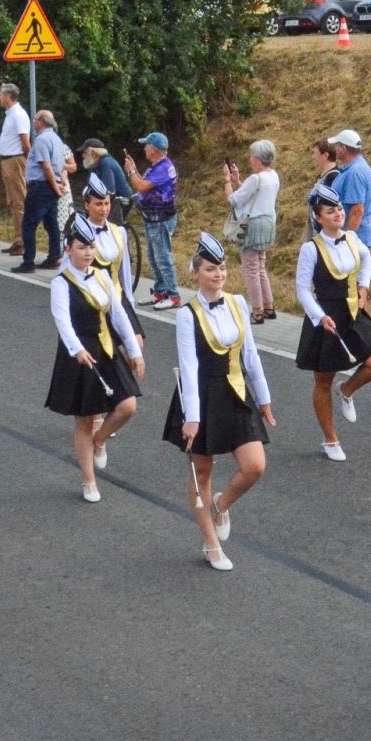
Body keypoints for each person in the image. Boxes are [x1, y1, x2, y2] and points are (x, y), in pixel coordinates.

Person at [162, 233, 275, 572]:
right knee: (202, 471)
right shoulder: (187, 314)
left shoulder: (238, 303)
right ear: (195, 273)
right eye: (211, 269)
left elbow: (250, 354)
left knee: (255, 466)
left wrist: (264, 398)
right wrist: (192, 417)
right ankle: (211, 543)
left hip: (237, 391)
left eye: (222, 268)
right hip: (203, 396)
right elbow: (189, 366)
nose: (219, 274)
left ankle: (221, 504)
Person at [44, 214, 145, 502]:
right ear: (69, 249)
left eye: (91, 247)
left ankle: (99, 441)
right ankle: (88, 479)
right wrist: (77, 350)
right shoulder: (61, 283)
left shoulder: (101, 276)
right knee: (86, 419)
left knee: (127, 405)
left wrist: (134, 350)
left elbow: (118, 315)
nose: (88, 253)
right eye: (81, 247)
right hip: (80, 353)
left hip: (106, 347)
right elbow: (62, 321)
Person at [294, 184, 371, 462]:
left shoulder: (351, 238)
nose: (337, 213)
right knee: (323, 381)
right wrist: (319, 316)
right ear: (318, 217)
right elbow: (302, 289)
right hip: (325, 316)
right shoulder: (310, 249)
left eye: (338, 208)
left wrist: (364, 286)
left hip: (352, 313)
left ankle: (347, 390)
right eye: (330, 211)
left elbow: (366, 258)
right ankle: (330, 438)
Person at [80, 176, 144, 340]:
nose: (104, 209)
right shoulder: (79, 235)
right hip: (93, 300)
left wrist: (130, 302)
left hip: (118, 296)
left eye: (106, 203)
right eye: (98, 204)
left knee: (136, 343)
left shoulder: (119, 232)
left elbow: (125, 271)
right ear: (87, 205)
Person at [224, 140, 280, 324]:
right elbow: (254, 193)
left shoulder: (255, 179)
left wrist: (227, 180)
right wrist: (238, 181)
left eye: (251, 157)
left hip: (253, 225)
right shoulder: (273, 176)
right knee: (260, 266)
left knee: (251, 269)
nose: (249, 160)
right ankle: (269, 306)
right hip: (268, 222)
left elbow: (233, 200)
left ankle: (257, 311)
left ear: (257, 160)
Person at [123, 132, 180, 309]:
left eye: (146, 145)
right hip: (152, 219)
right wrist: (134, 170)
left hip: (160, 220)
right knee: (153, 258)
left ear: (154, 149)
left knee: (162, 258)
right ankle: (160, 291)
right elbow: (143, 184)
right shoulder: (156, 167)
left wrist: (131, 171)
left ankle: (173, 295)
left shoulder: (164, 168)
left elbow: (141, 186)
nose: (144, 149)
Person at [13, 109, 69, 273]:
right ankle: (54, 256)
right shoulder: (57, 139)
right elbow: (60, 165)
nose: (33, 122)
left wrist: (54, 185)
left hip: (41, 185)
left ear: (41, 122)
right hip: (51, 185)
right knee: (51, 223)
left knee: (29, 224)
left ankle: (28, 261)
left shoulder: (42, 140)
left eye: (35, 119)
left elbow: (46, 166)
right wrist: (59, 184)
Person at [0, 83, 32, 256]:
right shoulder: (11, 114)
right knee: (13, 201)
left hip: (15, 160)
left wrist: (28, 161)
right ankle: (18, 238)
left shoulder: (18, 115)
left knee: (19, 200)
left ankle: (23, 240)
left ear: (7, 96)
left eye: (1, 94)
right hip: (7, 160)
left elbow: (25, 142)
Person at [329, 129, 371, 248]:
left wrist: (346, 241)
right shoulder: (355, 168)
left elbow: (357, 211)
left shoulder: (355, 173)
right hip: (356, 239)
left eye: (337, 145)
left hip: (355, 242)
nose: (334, 149)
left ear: (343, 148)